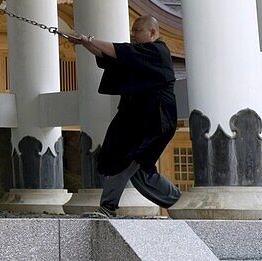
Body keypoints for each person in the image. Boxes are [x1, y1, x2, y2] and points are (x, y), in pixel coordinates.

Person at [69, 14, 182, 217]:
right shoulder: (140, 54)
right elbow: (111, 56)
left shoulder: (158, 51)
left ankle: (108, 207)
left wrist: (89, 39)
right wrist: (84, 42)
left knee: (126, 159)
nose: (133, 34)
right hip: (136, 120)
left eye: (137, 30)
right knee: (141, 172)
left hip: (154, 120)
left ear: (153, 32)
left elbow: (121, 51)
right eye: (133, 30)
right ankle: (180, 202)